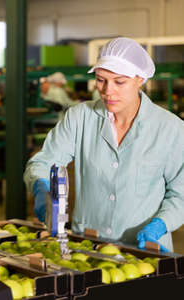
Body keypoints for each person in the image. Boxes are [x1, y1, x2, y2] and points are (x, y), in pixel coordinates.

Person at [24, 37, 184, 252]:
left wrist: (161, 224)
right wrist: (41, 187)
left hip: (146, 251)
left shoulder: (170, 128)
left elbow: (181, 193)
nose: (108, 90)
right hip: (88, 248)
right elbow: (44, 161)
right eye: (101, 80)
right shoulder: (80, 118)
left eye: (119, 82)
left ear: (140, 79)